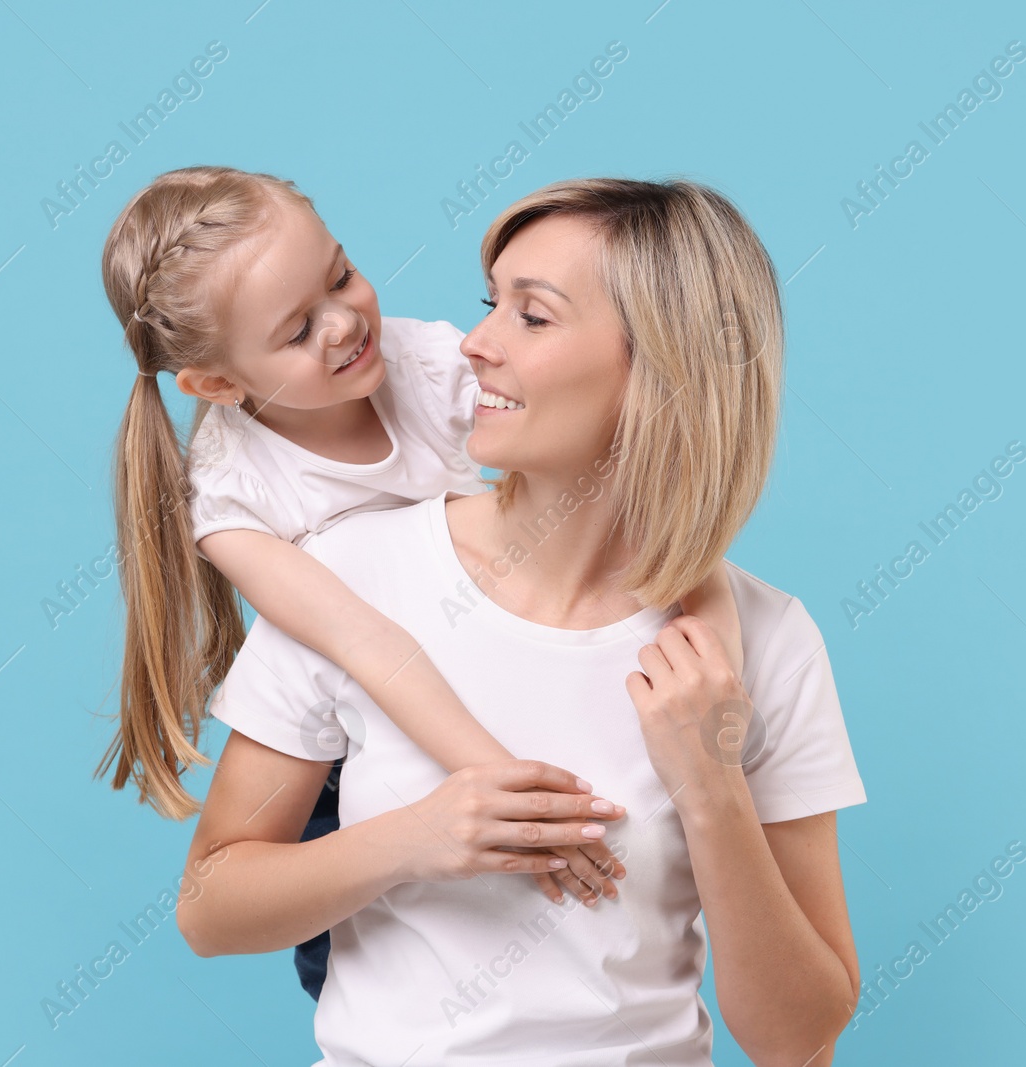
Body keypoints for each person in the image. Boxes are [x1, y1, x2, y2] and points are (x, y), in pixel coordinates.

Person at [177, 177, 868, 1066]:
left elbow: (800, 1040)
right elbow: (208, 904)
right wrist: (412, 839)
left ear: (664, 365)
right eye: (488, 304)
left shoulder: (767, 643)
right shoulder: (351, 576)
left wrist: (712, 785)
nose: (473, 345)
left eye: (532, 318)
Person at [95, 167, 743, 998]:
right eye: (297, 331)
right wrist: (511, 795)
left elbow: (617, 472)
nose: (344, 323)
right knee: (384, 957)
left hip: (495, 638)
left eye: (340, 275)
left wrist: (717, 648)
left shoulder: (433, 361)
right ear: (218, 385)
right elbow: (369, 641)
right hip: (358, 710)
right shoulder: (232, 499)